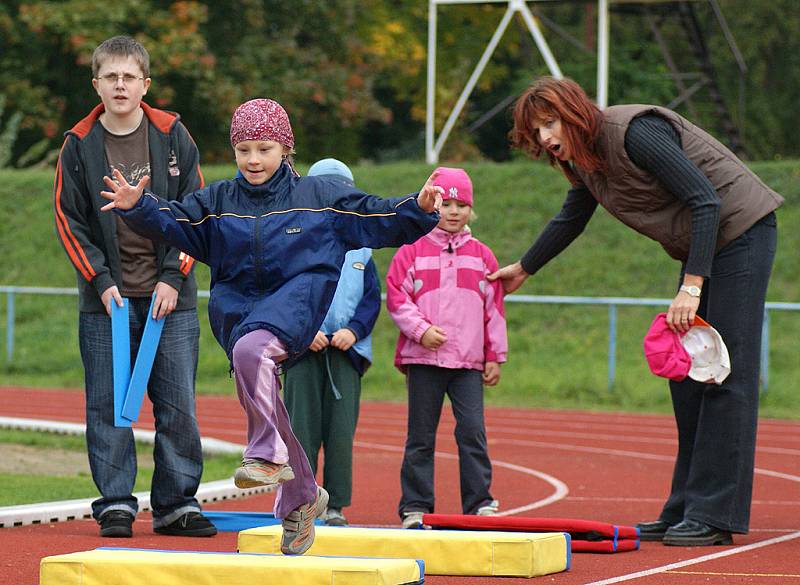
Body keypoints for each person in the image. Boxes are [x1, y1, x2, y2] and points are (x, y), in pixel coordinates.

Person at [98, 97, 443, 554]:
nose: (253, 160)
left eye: (264, 148)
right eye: (244, 150)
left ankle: (264, 453)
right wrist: (139, 206)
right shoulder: (220, 201)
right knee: (259, 379)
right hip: (238, 308)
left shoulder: (319, 197)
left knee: (251, 354)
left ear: (285, 148)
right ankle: (301, 496)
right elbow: (178, 221)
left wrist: (416, 209)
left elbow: (374, 216)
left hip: (299, 299)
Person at [490, 76, 782, 546]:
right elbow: (572, 216)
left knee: (724, 373)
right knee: (687, 375)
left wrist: (691, 285)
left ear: (573, 111)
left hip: (740, 232)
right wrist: (525, 267)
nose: (545, 138)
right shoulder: (586, 161)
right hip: (704, 246)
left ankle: (715, 515)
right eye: (537, 132)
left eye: (549, 123)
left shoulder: (634, 132)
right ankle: (685, 507)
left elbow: (705, 200)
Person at [53, 36, 216, 538]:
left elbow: (197, 210)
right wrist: (100, 282)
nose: (120, 85)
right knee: (107, 405)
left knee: (178, 406)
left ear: (145, 84)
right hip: (108, 301)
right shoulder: (78, 144)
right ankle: (116, 504)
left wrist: (173, 276)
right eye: (111, 77)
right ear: (97, 84)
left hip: (171, 300)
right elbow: (68, 219)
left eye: (129, 77)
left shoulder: (172, 134)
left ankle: (176, 504)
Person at [386, 167, 508, 529]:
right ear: (434, 205)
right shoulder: (412, 250)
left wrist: (495, 356)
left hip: (468, 363)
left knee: (472, 432)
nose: (453, 211)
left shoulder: (483, 256)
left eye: (461, 204)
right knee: (421, 437)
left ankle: (479, 504)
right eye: (446, 203)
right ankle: (416, 506)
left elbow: (494, 309)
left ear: (471, 209)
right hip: (423, 360)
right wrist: (421, 331)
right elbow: (396, 297)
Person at [283, 159, 380, 527]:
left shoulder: (362, 248)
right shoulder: (291, 240)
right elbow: (282, 294)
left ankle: (335, 503)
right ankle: (300, 501)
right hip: (303, 351)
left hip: (346, 353)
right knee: (301, 432)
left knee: (340, 433)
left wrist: (354, 330)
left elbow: (372, 297)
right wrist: (303, 332)